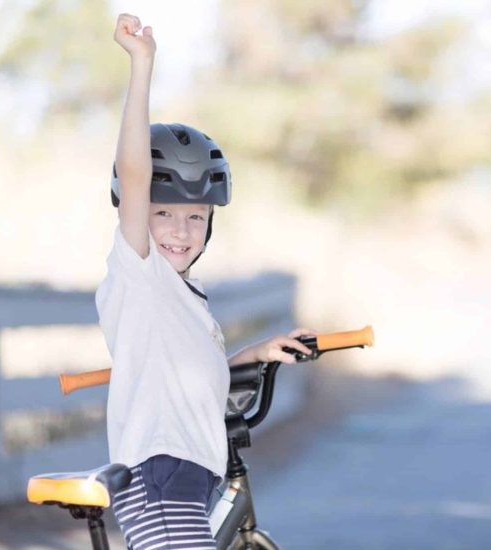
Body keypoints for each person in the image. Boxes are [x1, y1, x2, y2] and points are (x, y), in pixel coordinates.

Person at [96, 13, 314, 550]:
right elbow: (135, 172)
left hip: (186, 475)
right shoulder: (139, 273)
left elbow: (190, 370)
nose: (180, 230)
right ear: (137, 212)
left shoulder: (185, 297)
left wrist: (256, 352)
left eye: (196, 217)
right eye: (163, 213)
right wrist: (142, 65)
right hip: (159, 478)